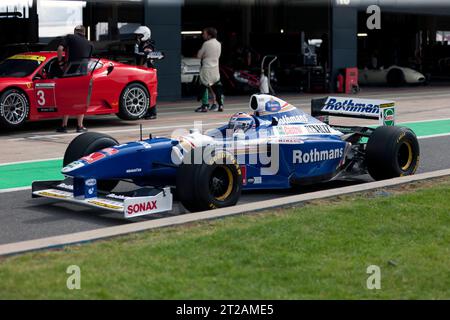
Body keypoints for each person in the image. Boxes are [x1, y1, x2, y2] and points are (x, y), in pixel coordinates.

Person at [56, 25, 93, 133]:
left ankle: (64, 126)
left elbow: (59, 49)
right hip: (83, 75)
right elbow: (88, 60)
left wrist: (60, 63)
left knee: (67, 98)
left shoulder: (70, 37)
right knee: (81, 99)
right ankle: (80, 126)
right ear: (84, 33)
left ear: (75, 32)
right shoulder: (90, 44)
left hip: (69, 73)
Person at [195, 27, 224, 113]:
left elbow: (199, 55)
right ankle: (220, 104)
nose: (203, 35)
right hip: (215, 69)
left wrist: (203, 55)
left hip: (206, 68)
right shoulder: (219, 44)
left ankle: (205, 106)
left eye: (204, 33)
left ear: (209, 35)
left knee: (204, 86)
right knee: (217, 87)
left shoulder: (206, 44)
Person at [134, 26, 157, 120]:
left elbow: (147, 54)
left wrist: (139, 52)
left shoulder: (149, 45)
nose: (138, 37)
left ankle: (152, 113)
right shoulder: (140, 44)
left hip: (149, 71)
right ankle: (145, 111)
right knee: (143, 92)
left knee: (150, 92)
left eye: (140, 35)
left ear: (145, 35)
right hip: (143, 70)